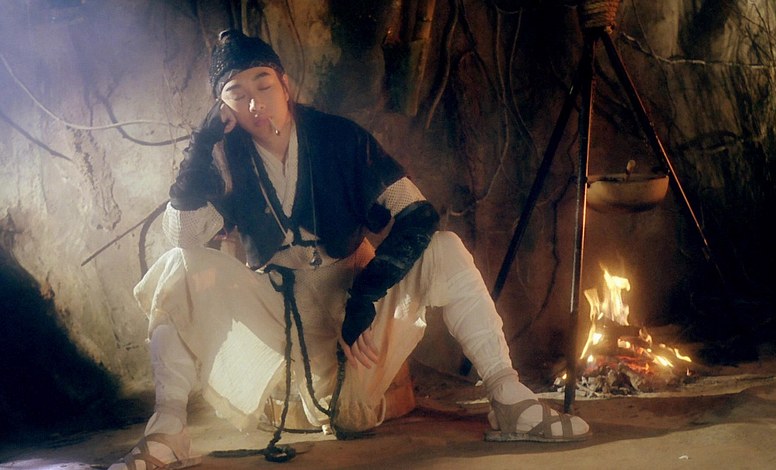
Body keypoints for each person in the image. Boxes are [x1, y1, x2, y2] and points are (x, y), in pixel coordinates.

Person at [110, 29, 590, 470]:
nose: (254, 102)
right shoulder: (221, 157)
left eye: (263, 84)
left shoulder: (339, 137)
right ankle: (168, 430)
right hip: (280, 317)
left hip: (354, 307)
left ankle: (507, 395)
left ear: (285, 85)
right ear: (223, 107)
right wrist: (200, 146)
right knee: (176, 267)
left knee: (444, 247)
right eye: (236, 93)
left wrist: (367, 293)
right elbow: (183, 241)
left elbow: (418, 214)